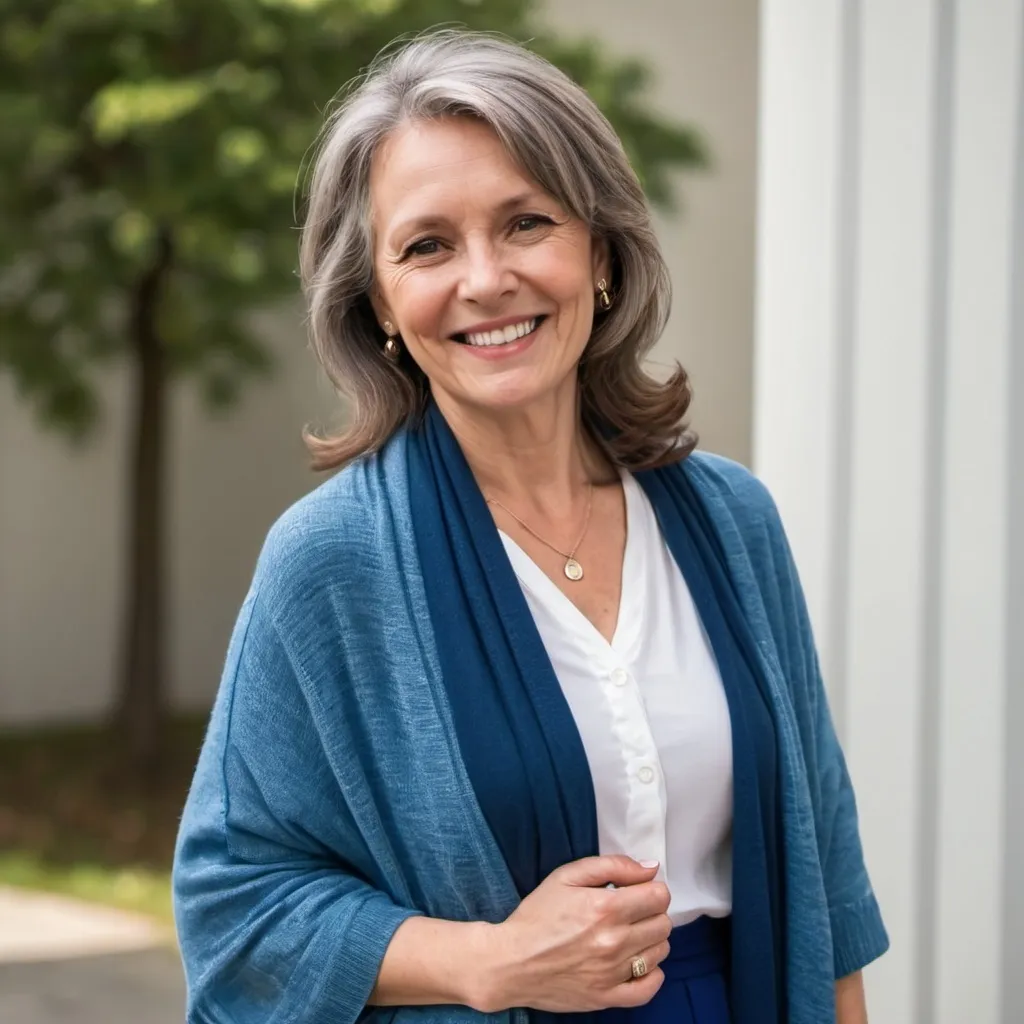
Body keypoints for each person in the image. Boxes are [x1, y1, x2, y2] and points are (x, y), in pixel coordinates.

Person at [173, 29, 888, 1024]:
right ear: (379, 303)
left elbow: (824, 878)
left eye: (525, 223)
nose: (483, 279)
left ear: (599, 253)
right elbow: (235, 907)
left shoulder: (732, 523)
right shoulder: (332, 564)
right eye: (427, 245)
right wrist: (489, 961)